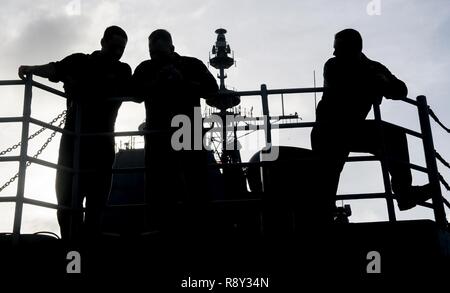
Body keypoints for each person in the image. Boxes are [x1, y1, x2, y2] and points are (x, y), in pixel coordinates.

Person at [18, 26, 132, 240]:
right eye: (114, 46)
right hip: (73, 144)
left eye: (121, 48)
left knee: (96, 208)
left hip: (101, 146)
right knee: (66, 205)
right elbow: (56, 69)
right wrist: (31, 68)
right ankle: (72, 250)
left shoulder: (123, 70)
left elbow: (120, 90)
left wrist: (79, 86)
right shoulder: (80, 61)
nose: (117, 51)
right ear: (103, 42)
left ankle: (85, 253)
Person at [311, 28, 431, 217]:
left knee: (394, 136)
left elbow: (401, 90)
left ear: (353, 48)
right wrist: (378, 84)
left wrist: (381, 84)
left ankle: (404, 193)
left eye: (338, 47)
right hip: (329, 129)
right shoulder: (333, 65)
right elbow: (344, 88)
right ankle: (323, 212)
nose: (334, 52)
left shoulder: (374, 68)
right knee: (329, 168)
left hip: (354, 128)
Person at [132, 29, 218, 233]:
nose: (156, 57)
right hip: (158, 137)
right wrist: (157, 83)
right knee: (157, 189)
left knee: (196, 185)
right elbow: (133, 93)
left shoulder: (191, 65)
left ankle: (199, 231)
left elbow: (211, 89)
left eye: (160, 52)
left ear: (172, 48)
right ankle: (159, 232)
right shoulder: (146, 68)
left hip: (187, 134)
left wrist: (183, 82)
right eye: (153, 53)